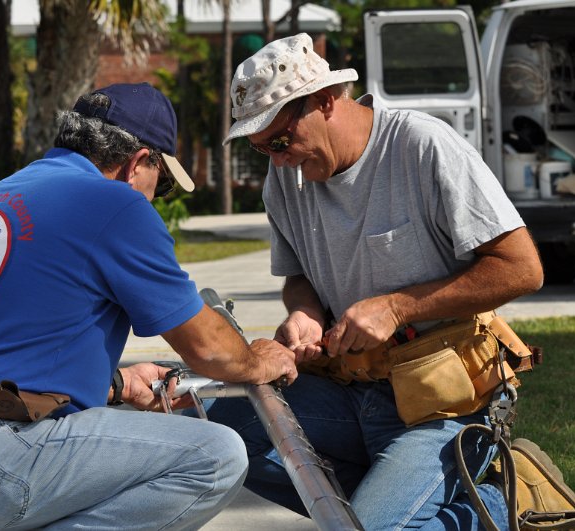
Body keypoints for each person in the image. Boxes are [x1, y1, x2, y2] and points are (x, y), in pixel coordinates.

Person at [0, 82, 297, 531]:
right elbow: (209, 350)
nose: (157, 197)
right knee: (214, 456)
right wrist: (258, 360)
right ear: (138, 163)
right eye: (164, 182)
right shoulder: (115, 203)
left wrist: (116, 383)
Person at [205, 33, 548, 530]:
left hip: (441, 401)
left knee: (361, 526)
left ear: (326, 100)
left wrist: (396, 308)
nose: (277, 161)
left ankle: (495, 509)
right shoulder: (284, 180)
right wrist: (304, 312)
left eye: (280, 141)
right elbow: (298, 276)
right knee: (222, 431)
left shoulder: (421, 145)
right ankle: (399, 501)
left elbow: (522, 268)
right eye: (262, 150)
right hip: (349, 388)